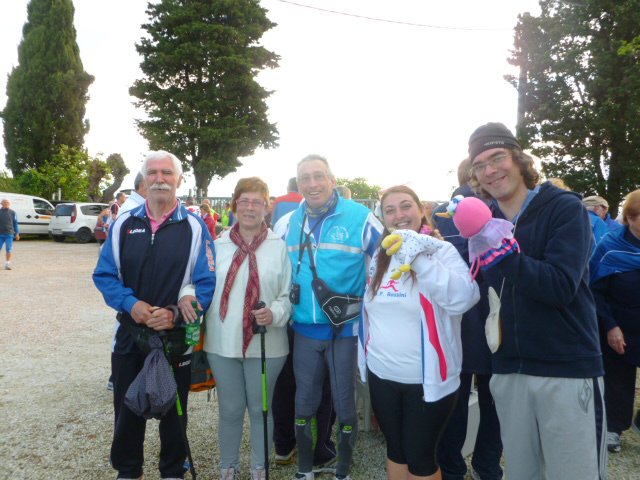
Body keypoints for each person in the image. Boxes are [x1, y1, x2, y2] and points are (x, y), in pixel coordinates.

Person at [467, 122, 606, 480]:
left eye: (497, 158)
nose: (490, 170)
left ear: (518, 158)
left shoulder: (564, 209)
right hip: (509, 371)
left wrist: (506, 258)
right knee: (522, 474)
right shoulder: (487, 224)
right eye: (480, 165)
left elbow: (561, 286)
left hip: (565, 368)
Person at [93, 150, 216, 480]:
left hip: (175, 336)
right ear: (144, 180)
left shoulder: (195, 227)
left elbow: (207, 281)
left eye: (167, 173)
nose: (160, 179)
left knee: (175, 412)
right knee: (126, 408)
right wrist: (130, 304)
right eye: (153, 173)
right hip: (131, 333)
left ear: (179, 180)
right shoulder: (124, 223)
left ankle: (173, 469)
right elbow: (104, 275)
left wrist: (175, 313)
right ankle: (128, 470)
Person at [359, 185, 479, 480]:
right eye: (390, 210)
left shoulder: (440, 250)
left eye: (405, 206)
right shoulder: (381, 253)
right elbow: (371, 310)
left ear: (420, 210)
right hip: (382, 373)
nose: (398, 215)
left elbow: (465, 299)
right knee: (396, 451)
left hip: (425, 380)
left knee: (421, 458)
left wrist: (419, 259)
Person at [179, 177, 290, 480]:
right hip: (222, 343)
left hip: (267, 344)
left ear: (267, 207)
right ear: (234, 205)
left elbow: (287, 296)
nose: (250, 208)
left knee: (260, 409)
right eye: (244, 201)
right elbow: (196, 282)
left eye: (257, 202)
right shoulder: (217, 245)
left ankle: (259, 469)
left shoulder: (280, 247)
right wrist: (186, 295)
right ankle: (228, 468)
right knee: (229, 409)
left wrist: (275, 312)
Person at [280, 154, 383, 480]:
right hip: (304, 330)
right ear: (298, 184)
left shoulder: (360, 217)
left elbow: (387, 262)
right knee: (304, 403)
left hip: (345, 331)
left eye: (319, 176)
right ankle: (305, 468)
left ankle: (342, 470)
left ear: (332, 180)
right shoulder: (289, 222)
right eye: (305, 178)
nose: (312, 184)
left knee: (344, 403)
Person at [434, 159, 503, 480]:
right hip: (493, 319)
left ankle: (452, 469)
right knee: (493, 400)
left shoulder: (441, 215)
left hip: (457, 320)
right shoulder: (498, 210)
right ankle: (487, 467)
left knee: (455, 400)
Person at [589, 189, 640, 453]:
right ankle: (614, 427)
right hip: (618, 323)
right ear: (630, 218)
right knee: (619, 378)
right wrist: (610, 325)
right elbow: (594, 290)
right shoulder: (610, 246)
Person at [0, 198, 20, 270]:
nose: (6, 204)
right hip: (0, 234)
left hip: (9, 234)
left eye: (8, 202)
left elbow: (15, 224)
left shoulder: (13, 212)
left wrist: (17, 233)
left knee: (9, 249)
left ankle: (7, 264)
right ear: (1, 204)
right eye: (5, 202)